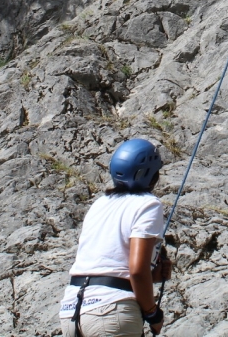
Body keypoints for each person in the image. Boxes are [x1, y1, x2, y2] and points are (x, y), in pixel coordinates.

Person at [59, 138, 173, 337]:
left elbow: (107, 262)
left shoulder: (100, 204)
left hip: (72, 311)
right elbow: (137, 271)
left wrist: (153, 273)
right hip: (111, 312)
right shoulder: (148, 204)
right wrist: (153, 314)